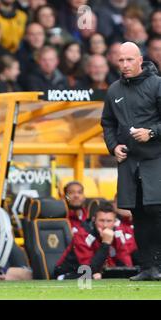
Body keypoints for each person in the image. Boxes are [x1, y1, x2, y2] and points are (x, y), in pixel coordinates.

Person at [101, 41, 161, 281]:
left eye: (129, 60)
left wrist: (152, 133)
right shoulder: (114, 90)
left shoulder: (157, 85)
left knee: (156, 209)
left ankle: (158, 263)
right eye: (120, 61)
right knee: (137, 212)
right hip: (129, 163)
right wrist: (113, 146)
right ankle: (148, 267)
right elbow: (107, 123)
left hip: (156, 159)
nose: (124, 65)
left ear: (139, 60)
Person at [54, 201, 134, 280]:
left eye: (109, 221)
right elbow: (88, 270)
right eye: (101, 220)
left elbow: (126, 265)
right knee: (96, 277)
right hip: (69, 274)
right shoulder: (82, 235)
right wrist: (105, 243)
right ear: (94, 220)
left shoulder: (118, 234)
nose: (105, 225)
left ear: (114, 222)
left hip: (95, 273)